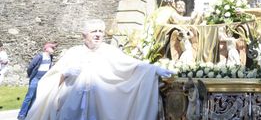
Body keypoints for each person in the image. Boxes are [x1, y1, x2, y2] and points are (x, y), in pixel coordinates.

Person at [25, 19, 176, 120]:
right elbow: (49, 81)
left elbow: (131, 65)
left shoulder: (110, 51)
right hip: (71, 109)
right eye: (94, 31)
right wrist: (65, 73)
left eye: (100, 31)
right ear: (84, 35)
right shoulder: (73, 52)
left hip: (98, 109)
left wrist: (153, 69)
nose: (98, 35)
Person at [17, 42, 57, 120]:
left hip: (43, 80)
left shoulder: (50, 57)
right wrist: (30, 75)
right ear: (46, 48)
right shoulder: (39, 56)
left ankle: (29, 114)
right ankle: (21, 115)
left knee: (36, 97)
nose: (53, 49)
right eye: (52, 48)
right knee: (29, 96)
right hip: (36, 78)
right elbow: (30, 67)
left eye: (54, 48)